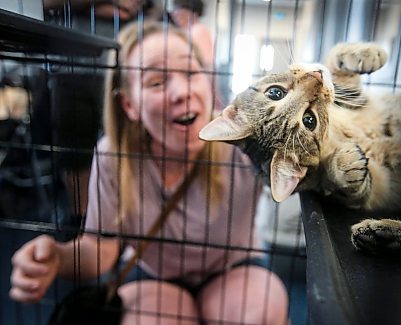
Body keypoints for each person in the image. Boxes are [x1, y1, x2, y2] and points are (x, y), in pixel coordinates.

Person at [9, 19, 288, 324]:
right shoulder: (113, 154)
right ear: (129, 104)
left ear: (208, 81)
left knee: (259, 313)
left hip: (233, 268)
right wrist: (57, 257)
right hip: (156, 275)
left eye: (191, 73)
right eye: (156, 82)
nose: (181, 92)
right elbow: (100, 248)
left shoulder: (244, 139)